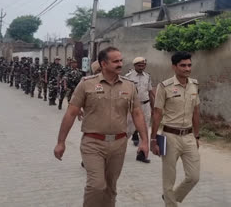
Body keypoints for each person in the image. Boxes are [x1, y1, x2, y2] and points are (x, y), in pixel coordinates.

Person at [54, 47, 149, 207]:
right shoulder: (86, 84)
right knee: (97, 185)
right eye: (115, 61)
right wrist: (61, 142)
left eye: (121, 60)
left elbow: (138, 114)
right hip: (93, 143)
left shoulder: (129, 86)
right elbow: (71, 113)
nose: (120, 64)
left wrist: (144, 141)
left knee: (111, 187)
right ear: (104, 64)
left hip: (119, 144)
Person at [151, 51, 200, 207]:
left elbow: (196, 111)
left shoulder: (194, 85)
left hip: (189, 136)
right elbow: (157, 113)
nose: (187, 68)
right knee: (169, 178)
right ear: (174, 67)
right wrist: (153, 139)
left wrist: (197, 136)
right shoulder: (164, 87)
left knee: (193, 176)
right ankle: (170, 203)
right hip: (169, 136)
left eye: (189, 65)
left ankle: (171, 197)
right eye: (183, 65)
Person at [125, 57, 155, 163]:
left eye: (143, 65)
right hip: (133, 107)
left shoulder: (147, 76)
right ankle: (118, 151)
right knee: (128, 130)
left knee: (145, 130)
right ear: (134, 65)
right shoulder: (128, 77)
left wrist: (153, 107)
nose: (141, 67)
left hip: (146, 106)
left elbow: (150, 92)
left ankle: (142, 154)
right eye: (139, 65)